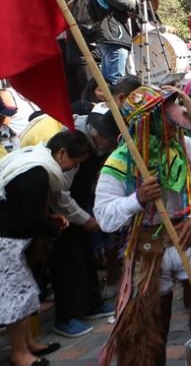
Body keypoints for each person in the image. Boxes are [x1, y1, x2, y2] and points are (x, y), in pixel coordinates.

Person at [94, 86, 191, 366]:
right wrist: (138, 199)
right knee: (149, 327)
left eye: (173, 106)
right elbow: (104, 216)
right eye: (167, 110)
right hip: (147, 247)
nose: (176, 114)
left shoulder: (187, 148)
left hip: (189, 236)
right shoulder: (121, 160)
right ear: (148, 120)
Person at [19, 110, 120, 338]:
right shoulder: (55, 162)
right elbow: (61, 197)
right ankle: (65, 317)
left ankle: (91, 304)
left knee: (84, 255)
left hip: (71, 211)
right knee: (66, 262)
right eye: (74, 163)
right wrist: (81, 220)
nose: (73, 166)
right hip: (51, 216)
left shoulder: (72, 153)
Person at [0, 131, 92, 366]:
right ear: (61, 153)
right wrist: (54, 229)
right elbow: (31, 219)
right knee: (18, 297)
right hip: (6, 240)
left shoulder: (34, 162)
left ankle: (28, 344)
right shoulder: (38, 172)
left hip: (11, 238)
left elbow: (21, 205)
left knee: (27, 291)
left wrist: (50, 217)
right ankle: (19, 354)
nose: (72, 169)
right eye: (74, 162)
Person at [92, 0, 136, 84]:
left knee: (109, 82)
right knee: (116, 81)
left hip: (108, 38)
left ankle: (110, 104)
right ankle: (116, 105)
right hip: (114, 39)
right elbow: (130, 6)